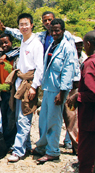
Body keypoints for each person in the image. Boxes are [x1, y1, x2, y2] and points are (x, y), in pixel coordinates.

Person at [33, 19, 76, 163]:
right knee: (43, 120)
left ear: (63, 30)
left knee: (53, 121)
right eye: (52, 30)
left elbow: (67, 71)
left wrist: (62, 92)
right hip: (47, 88)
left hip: (57, 90)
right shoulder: (52, 44)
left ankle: (53, 151)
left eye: (57, 30)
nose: (55, 33)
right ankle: (43, 146)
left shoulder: (67, 48)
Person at [6, 13, 44, 162]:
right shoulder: (23, 41)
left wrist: (34, 86)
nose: (23, 27)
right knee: (19, 117)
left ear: (32, 25)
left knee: (24, 118)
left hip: (28, 84)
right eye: (21, 24)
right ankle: (26, 146)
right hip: (19, 83)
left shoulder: (36, 44)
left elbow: (39, 68)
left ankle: (18, 151)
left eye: (26, 24)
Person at [67, 30, 95, 173]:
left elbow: (92, 92)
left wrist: (77, 96)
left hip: (90, 120)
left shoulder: (90, 63)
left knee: (86, 158)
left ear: (88, 44)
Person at [0, 33, 18, 149]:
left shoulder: (15, 55)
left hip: (12, 90)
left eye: (6, 42)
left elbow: (20, 49)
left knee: (11, 117)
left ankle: (11, 142)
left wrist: (8, 56)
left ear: (11, 42)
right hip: (1, 91)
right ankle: (4, 140)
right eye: (1, 43)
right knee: (3, 116)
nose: (4, 45)